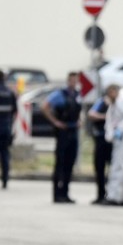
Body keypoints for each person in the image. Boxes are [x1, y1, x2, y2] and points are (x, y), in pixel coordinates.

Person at [43, 71, 82, 203]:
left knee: (69, 164)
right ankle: (57, 194)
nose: (74, 83)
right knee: (60, 163)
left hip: (73, 131)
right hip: (63, 132)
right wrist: (55, 122)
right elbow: (45, 106)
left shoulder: (77, 95)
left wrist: (79, 121)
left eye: (75, 80)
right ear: (68, 81)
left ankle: (65, 192)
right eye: (72, 80)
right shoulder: (60, 94)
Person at [87, 89, 113, 204]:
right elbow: (91, 114)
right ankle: (100, 194)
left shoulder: (119, 104)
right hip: (101, 138)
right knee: (99, 168)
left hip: (113, 140)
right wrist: (106, 117)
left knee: (113, 169)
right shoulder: (101, 102)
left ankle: (112, 194)